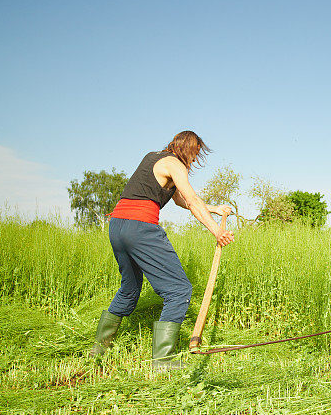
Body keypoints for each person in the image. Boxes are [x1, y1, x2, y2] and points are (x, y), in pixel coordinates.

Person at [89, 130, 234, 372]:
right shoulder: (175, 164)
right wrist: (216, 231)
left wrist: (214, 208)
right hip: (140, 228)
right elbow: (192, 199)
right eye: (195, 153)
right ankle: (162, 361)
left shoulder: (153, 158)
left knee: (129, 289)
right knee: (179, 290)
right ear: (187, 148)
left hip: (117, 226)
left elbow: (181, 200)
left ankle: (98, 349)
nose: (196, 159)